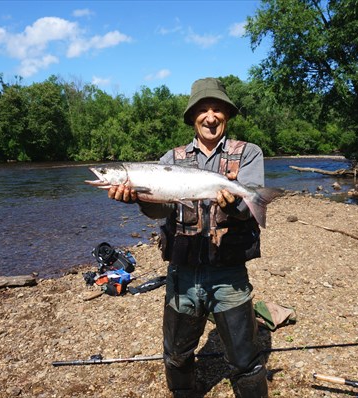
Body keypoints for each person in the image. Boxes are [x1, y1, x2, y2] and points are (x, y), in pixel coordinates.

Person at [108, 77, 269, 398]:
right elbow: (162, 211)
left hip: (229, 273)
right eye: (203, 110)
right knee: (177, 355)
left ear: (227, 115)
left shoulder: (248, 154)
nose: (211, 117)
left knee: (245, 358)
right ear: (193, 117)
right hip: (182, 273)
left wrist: (235, 201)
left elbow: (246, 211)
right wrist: (139, 198)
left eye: (218, 109)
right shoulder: (170, 159)